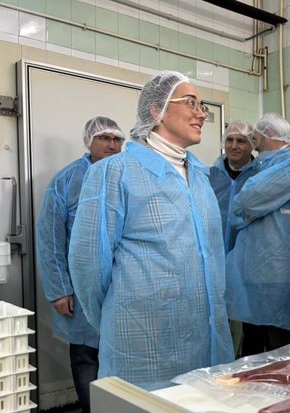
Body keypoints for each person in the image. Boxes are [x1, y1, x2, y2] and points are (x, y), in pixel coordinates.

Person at [68, 71, 234, 390]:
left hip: (206, 339)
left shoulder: (201, 178)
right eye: (190, 103)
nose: (201, 112)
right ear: (157, 111)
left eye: (203, 106)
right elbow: (88, 265)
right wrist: (122, 315)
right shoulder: (114, 172)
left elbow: (213, 256)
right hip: (142, 343)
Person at [36, 116, 124, 413]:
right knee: (86, 354)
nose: (112, 145)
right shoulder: (66, 181)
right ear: (89, 142)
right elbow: (50, 238)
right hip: (81, 286)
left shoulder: (128, 176)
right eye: (104, 138)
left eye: (117, 139)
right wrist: (59, 289)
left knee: (122, 353)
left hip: (122, 286)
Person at [225, 113, 290, 356]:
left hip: (278, 270)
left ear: (269, 135)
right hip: (257, 269)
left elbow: (248, 198)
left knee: (281, 345)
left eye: (256, 136)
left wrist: (245, 212)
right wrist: (246, 213)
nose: (253, 142)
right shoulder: (269, 164)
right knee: (254, 340)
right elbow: (242, 206)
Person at [208, 120, 259, 253]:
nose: (233, 146)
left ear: (252, 145)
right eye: (229, 140)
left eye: (241, 141)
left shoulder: (260, 175)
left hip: (247, 254)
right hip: (214, 251)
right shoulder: (210, 175)